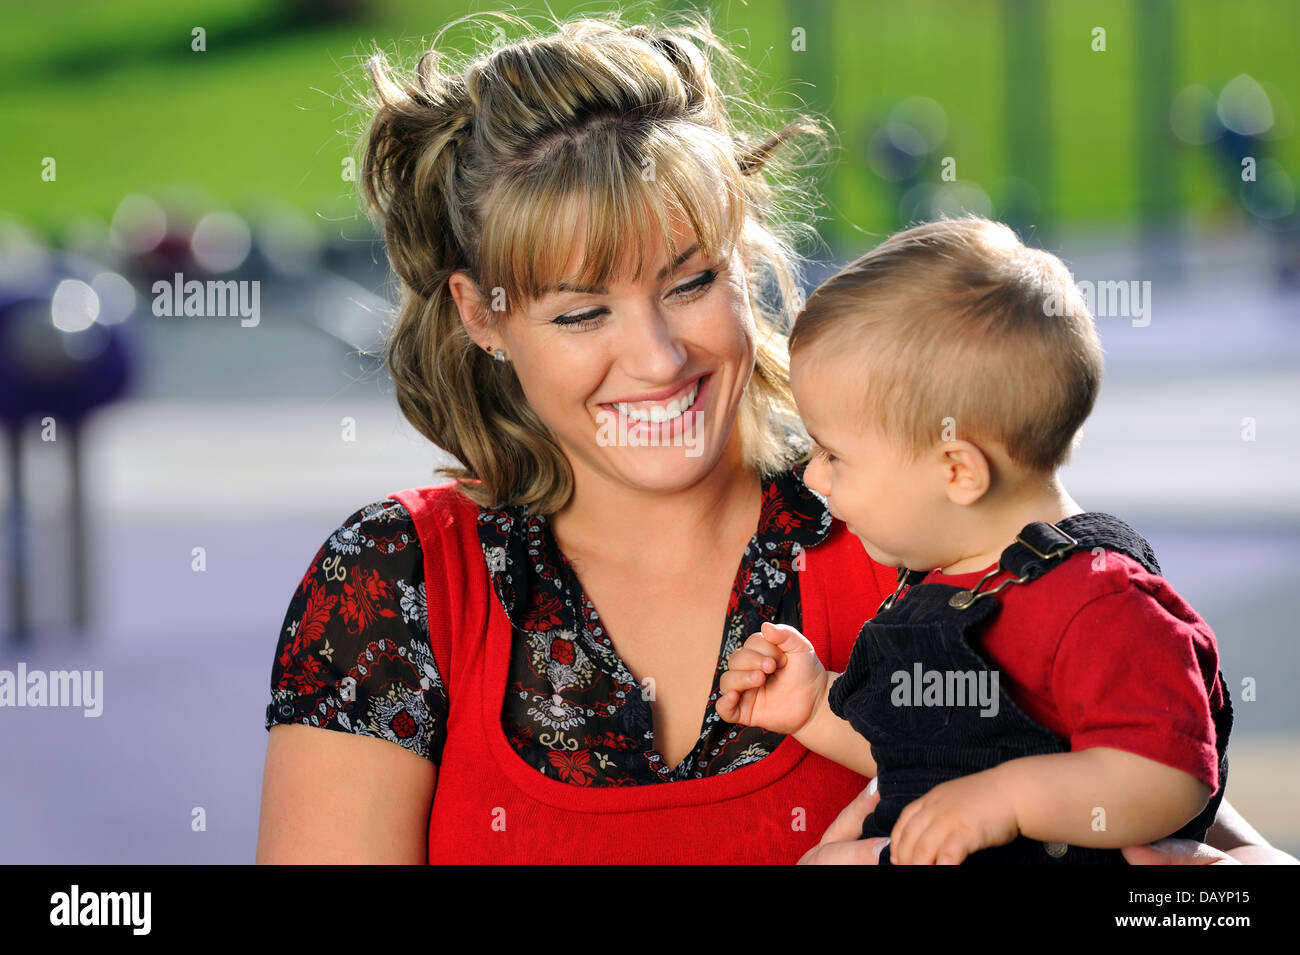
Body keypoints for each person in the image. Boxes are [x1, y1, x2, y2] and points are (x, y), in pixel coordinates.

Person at [255, 11, 1293, 865]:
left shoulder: (913, 522)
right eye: (581, 313)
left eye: (691, 281)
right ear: (482, 316)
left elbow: (1222, 868)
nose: (660, 357)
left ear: (744, 256)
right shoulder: (393, 584)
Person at [720, 216, 1237, 865]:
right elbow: (926, 750)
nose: (812, 474)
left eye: (833, 454)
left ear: (957, 470)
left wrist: (1007, 799)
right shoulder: (940, 587)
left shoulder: (1099, 599)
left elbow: (1171, 773)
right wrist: (814, 704)